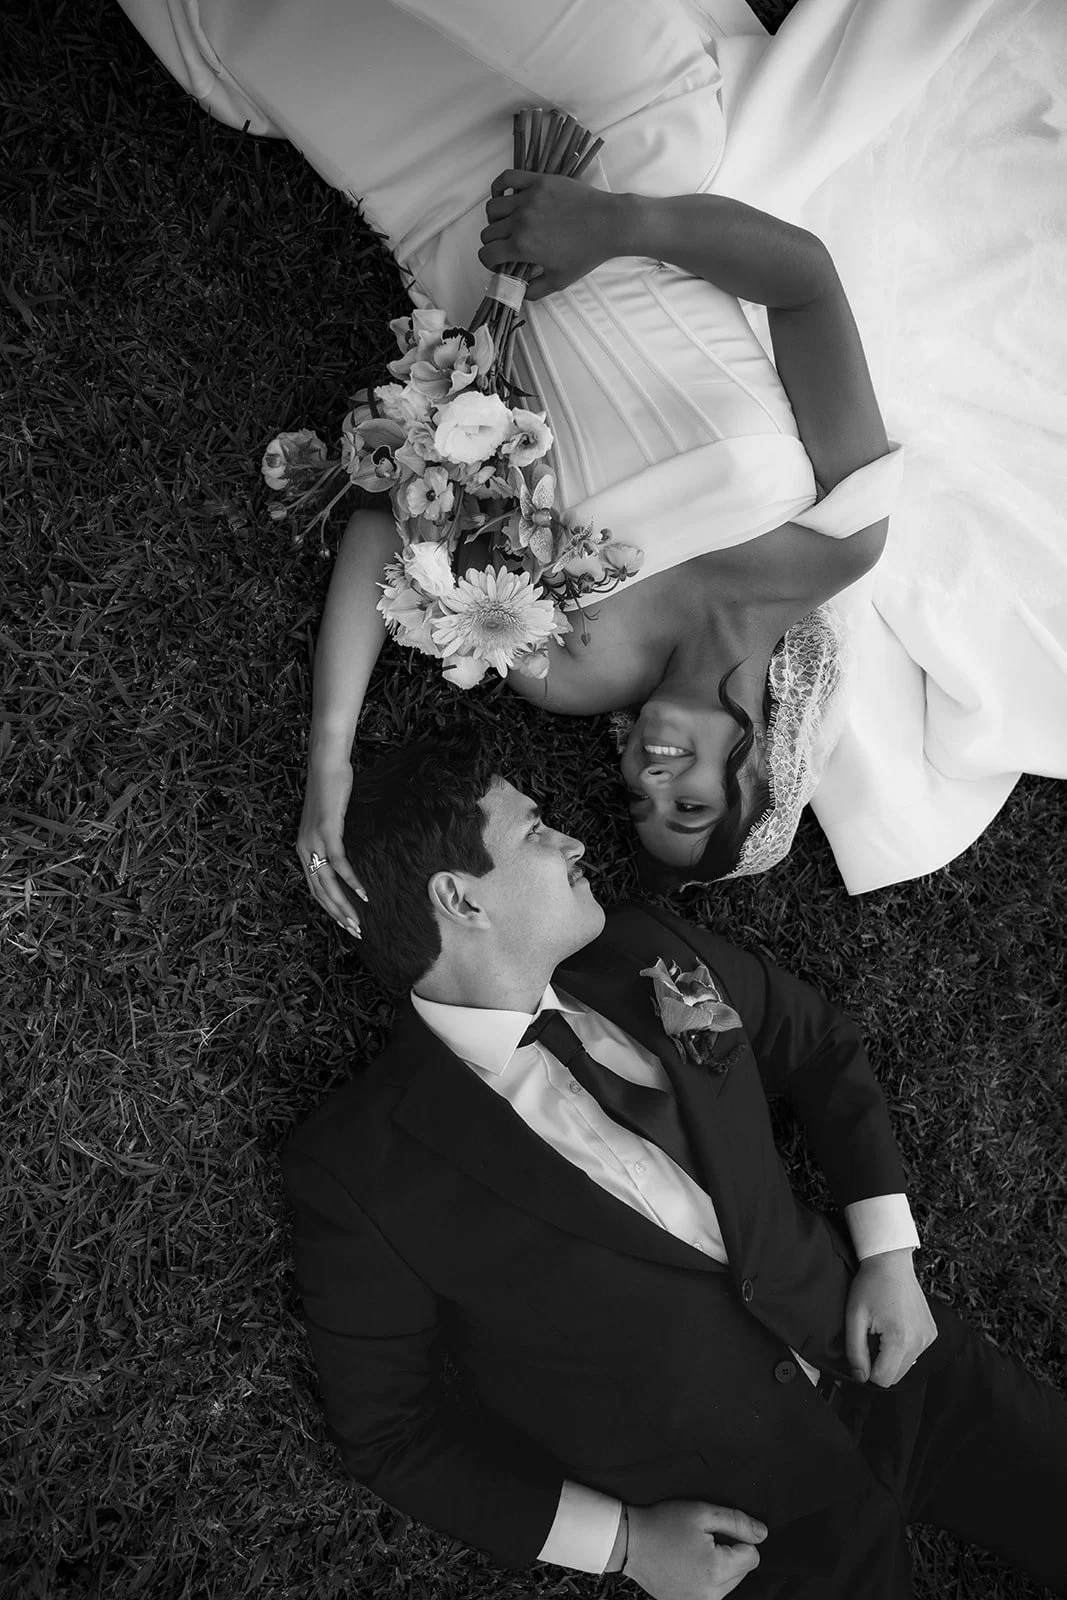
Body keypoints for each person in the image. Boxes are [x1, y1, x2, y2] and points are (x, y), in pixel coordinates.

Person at [117, 0, 1067, 907]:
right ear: (767, 771)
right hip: (619, 142)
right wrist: (618, 226)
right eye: (689, 806)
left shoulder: (573, 671)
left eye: (641, 807)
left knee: (254, 23)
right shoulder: (838, 541)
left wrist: (331, 759)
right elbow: (804, 282)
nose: (650, 782)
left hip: (446, 214)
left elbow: (390, 528)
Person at [281, 725, 1066, 1599]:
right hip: (751, 1528)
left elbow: (816, 1047)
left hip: (899, 1364)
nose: (573, 843)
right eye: (534, 831)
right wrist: (621, 1544)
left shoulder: (642, 949)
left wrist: (887, 1254)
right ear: (460, 900)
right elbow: (390, 1433)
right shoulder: (361, 1169)